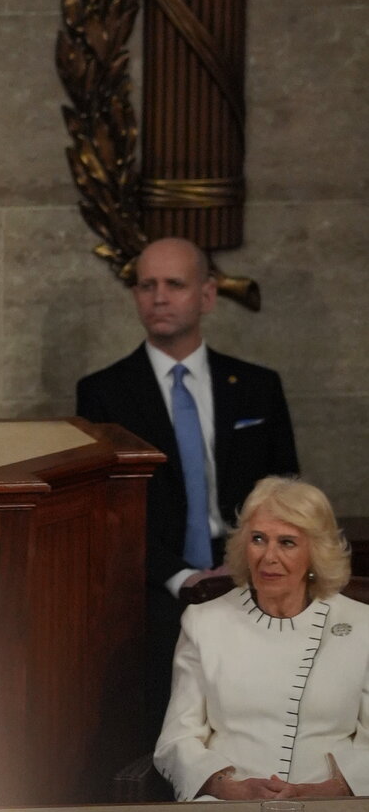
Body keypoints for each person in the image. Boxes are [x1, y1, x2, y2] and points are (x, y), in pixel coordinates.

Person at [75, 236, 299, 724]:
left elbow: (289, 495)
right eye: (146, 285)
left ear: (207, 295)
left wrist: (249, 568)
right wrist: (182, 578)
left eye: (174, 284)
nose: (158, 297)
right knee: (158, 718)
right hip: (154, 581)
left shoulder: (257, 387)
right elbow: (106, 510)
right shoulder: (103, 393)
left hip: (251, 572)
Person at [155, 477, 369, 801]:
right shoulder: (203, 622)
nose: (269, 556)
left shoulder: (361, 624)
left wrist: (329, 790)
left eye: (287, 543)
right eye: (258, 539)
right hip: (231, 804)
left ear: (315, 552)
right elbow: (177, 739)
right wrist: (227, 787)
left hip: (331, 805)